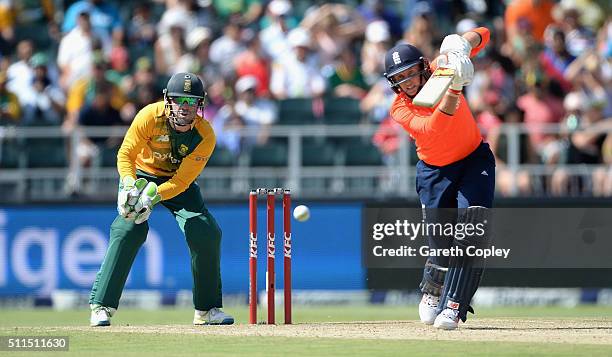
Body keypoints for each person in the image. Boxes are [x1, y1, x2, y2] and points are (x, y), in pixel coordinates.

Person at [89, 72, 234, 327]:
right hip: (143, 176)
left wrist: (152, 198)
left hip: (177, 184)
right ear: (168, 100)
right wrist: (128, 185)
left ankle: (207, 309)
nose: (184, 107)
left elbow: (181, 182)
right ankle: (101, 305)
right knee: (127, 230)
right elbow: (126, 154)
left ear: (200, 105)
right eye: (179, 100)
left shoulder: (205, 135)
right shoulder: (149, 116)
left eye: (191, 101)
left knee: (206, 231)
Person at [384, 27, 494, 330]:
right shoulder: (399, 109)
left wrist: (460, 46)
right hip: (434, 172)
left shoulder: (441, 67)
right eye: (399, 78)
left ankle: (454, 306)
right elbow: (433, 128)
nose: (407, 82)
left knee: (473, 224)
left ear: (422, 67)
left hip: (473, 158)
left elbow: (484, 33)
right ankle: (432, 293)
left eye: (410, 73)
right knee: (441, 247)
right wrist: (455, 88)